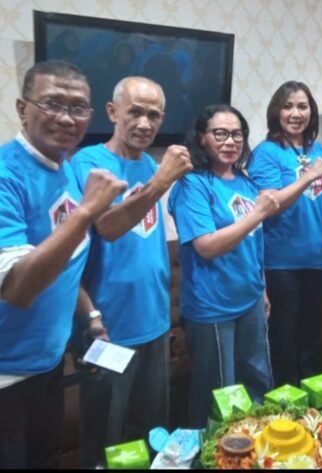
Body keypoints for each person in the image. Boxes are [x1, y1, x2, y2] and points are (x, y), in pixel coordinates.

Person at [0, 60, 127, 468]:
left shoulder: (66, 170)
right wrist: (87, 211)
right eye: (52, 103)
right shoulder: (6, 174)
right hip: (7, 375)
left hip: (48, 363)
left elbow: (66, 263)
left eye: (78, 108)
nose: (67, 118)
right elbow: (18, 288)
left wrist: (90, 316)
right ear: (22, 109)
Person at [71, 76, 193, 468]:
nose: (144, 123)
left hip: (154, 322)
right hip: (108, 326)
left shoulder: (149, 165)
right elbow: (106, 226)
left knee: (152, 434)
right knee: (106, 440)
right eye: (135, 112)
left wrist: (168, 319)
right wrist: (161, 181)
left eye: (153, 115)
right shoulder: (89, 163)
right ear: (112, 112)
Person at [168, 104, 280, 428]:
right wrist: (257, 214)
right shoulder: (192, 184)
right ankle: (214, 452)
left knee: (258, 382)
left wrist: (262, 288)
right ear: (202, 138)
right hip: (211, 306)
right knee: (218, 394)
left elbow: (254, 243)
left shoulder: (245, 182)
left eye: (237, 134)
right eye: (220, 134)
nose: (230, 141)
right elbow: (206, 246)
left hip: (250, 299)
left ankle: (257, 447)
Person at [247, 81, 322, 386]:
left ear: (312, 111)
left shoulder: (320, 151)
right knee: (283, 338)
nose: (296, 113)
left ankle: (311, 402)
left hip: (317, 260)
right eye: (288, 106)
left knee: (311, 337)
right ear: (276, 112)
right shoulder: (266, 153)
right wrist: (308, 177)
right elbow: (269, 206)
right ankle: (286, 400)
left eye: (302, 106)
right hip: (280, 263)